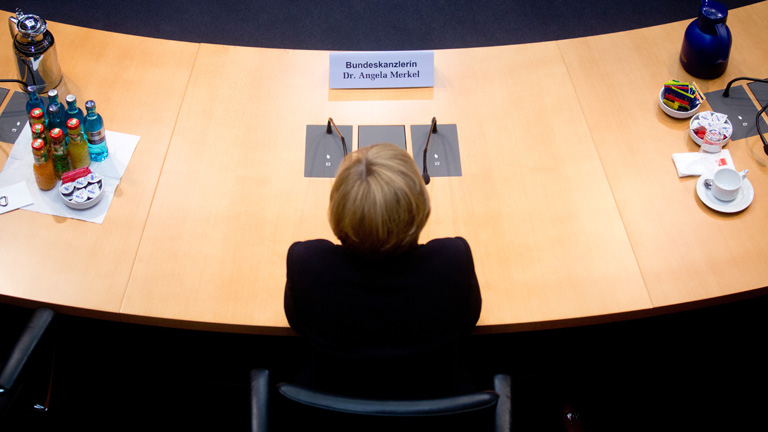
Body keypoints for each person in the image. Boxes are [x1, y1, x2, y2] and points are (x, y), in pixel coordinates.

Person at [284, 143, 481, 399]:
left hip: (332, 409)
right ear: (421, 209)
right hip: (433, 404)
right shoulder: (453, 262)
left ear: (337, 211)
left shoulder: (307, 265)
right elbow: (469, 320)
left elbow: (297, 322)